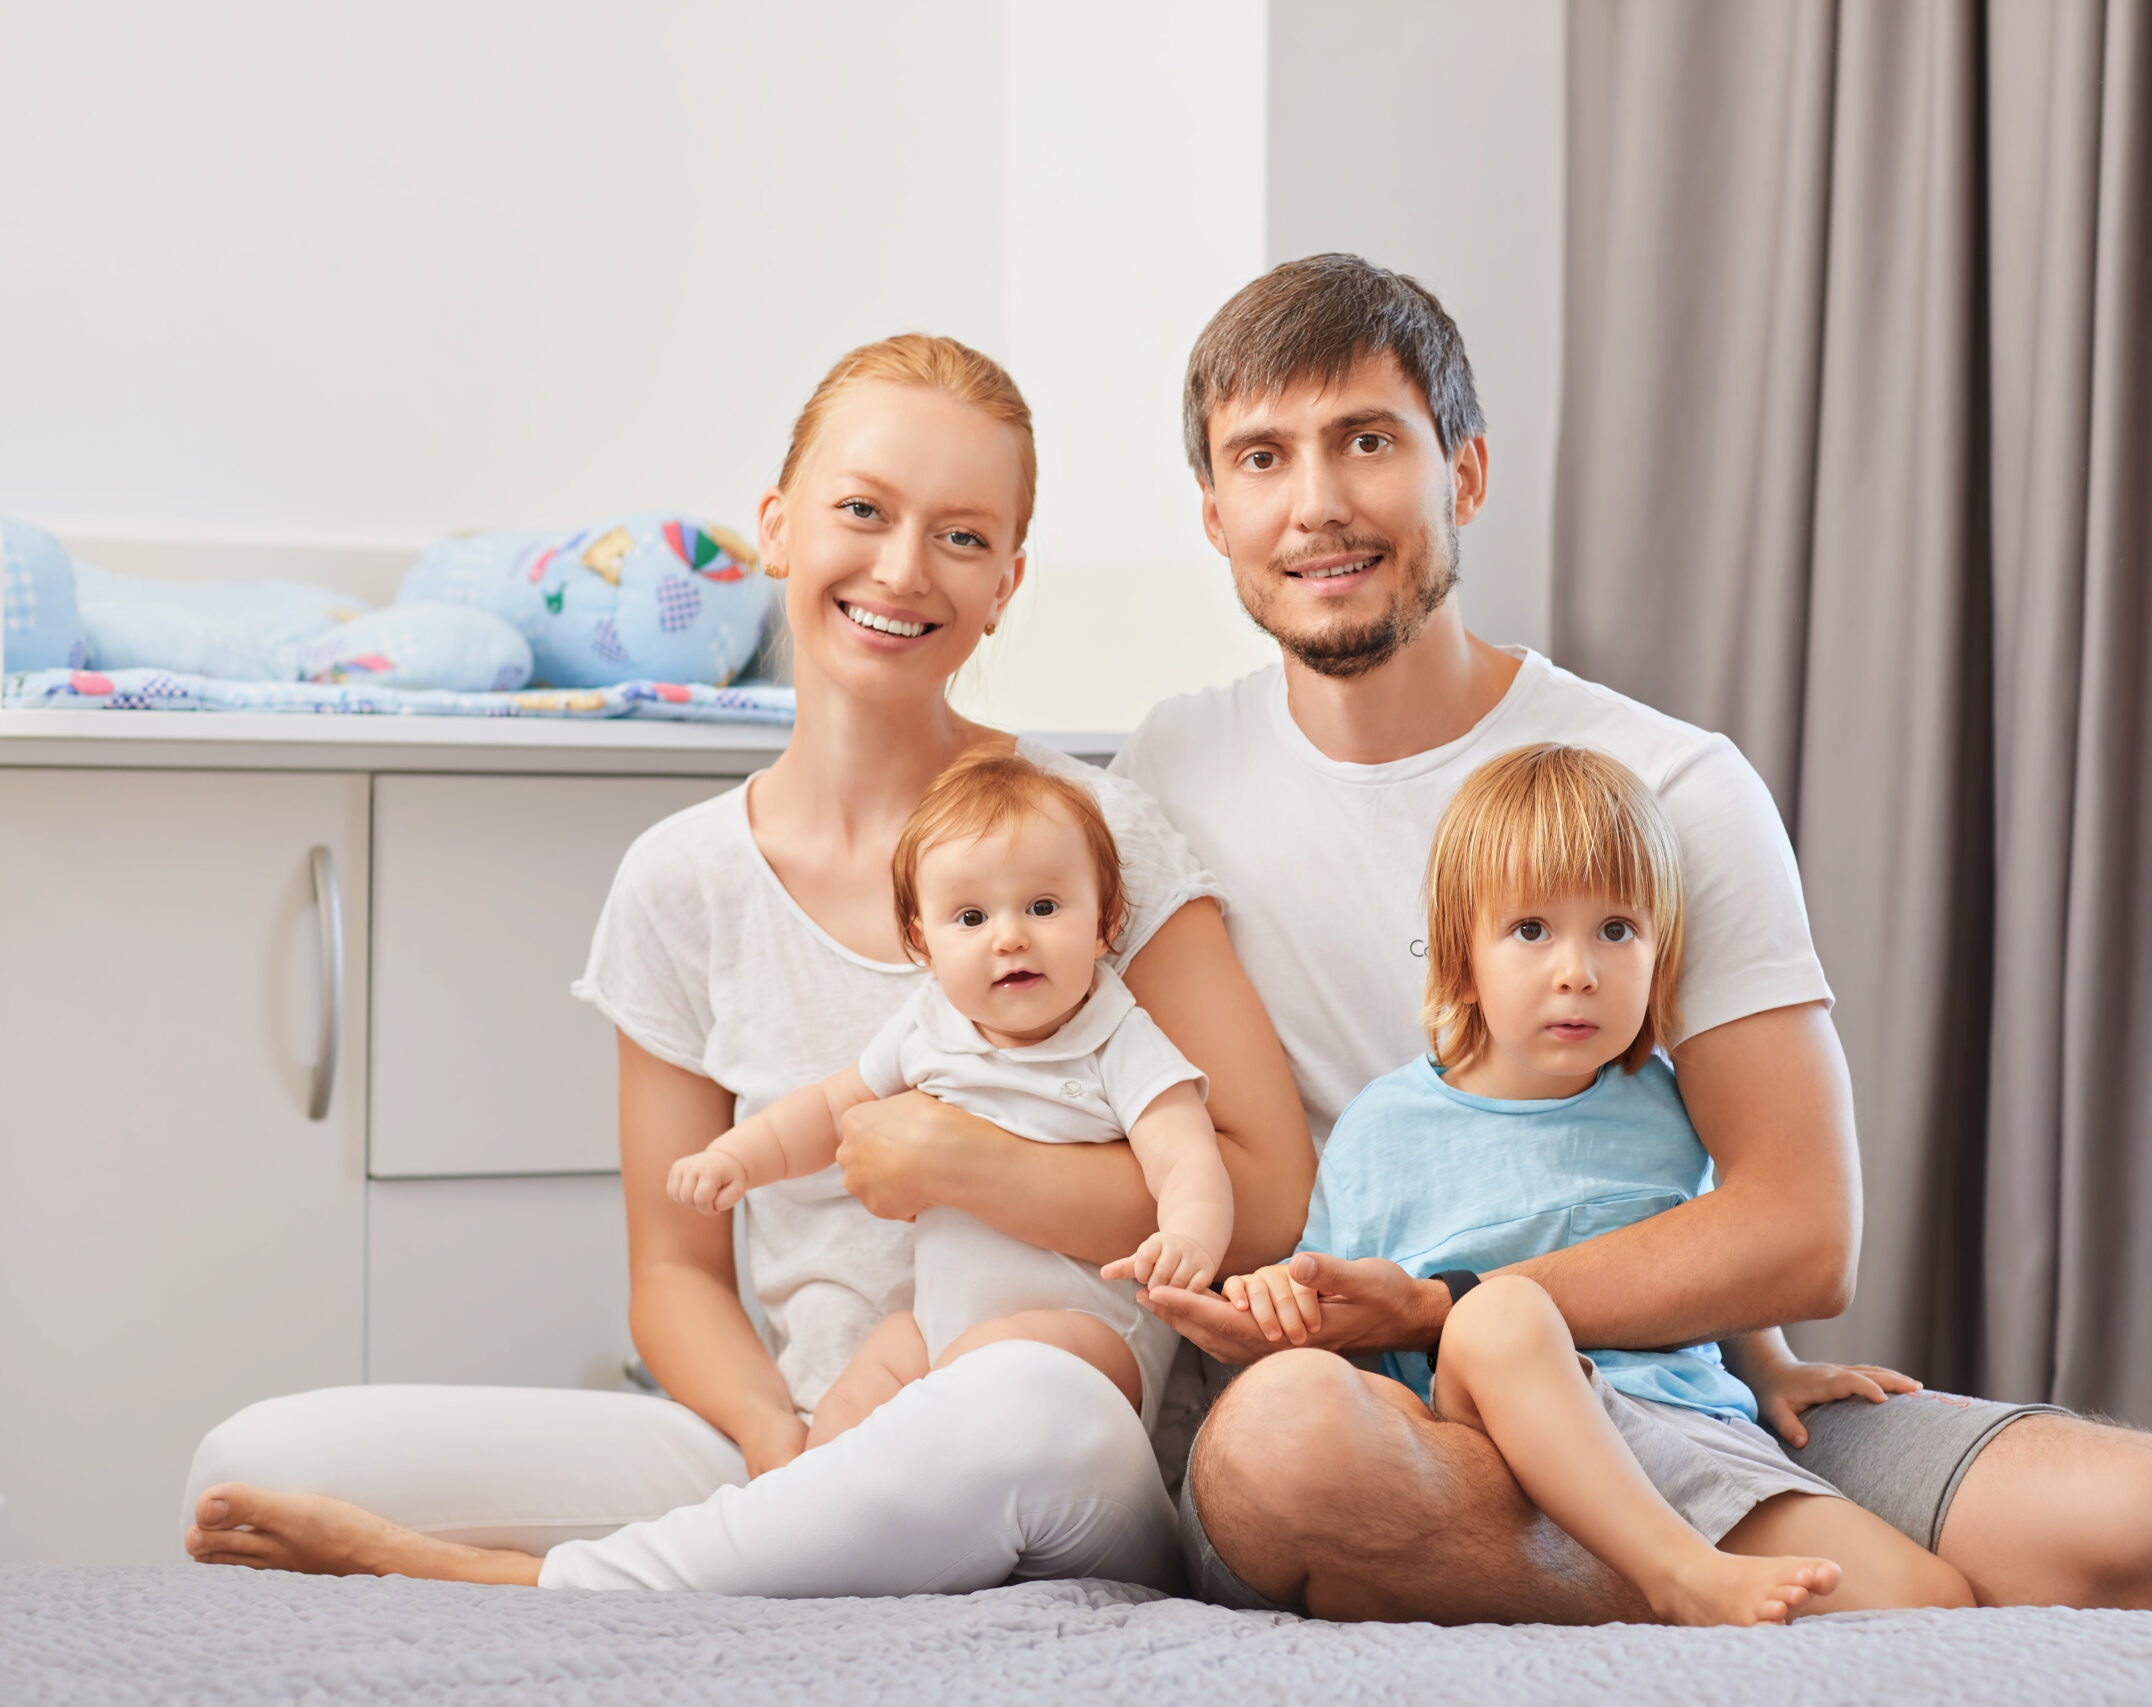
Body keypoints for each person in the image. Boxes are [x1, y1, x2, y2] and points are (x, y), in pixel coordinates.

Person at [1119, 253, 2152, 1622]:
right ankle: (1803, 1611)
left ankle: (1727, 1589)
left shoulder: (1665, 783)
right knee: (1277, 1443)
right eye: (1263, 457)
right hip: (1381, 1417)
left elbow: (1798, 1223)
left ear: (1464, 474)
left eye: (1369, 440)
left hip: (1674, 1383)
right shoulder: (1167, 773)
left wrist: (1457, 1302)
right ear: (1213, 511)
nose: (1316, 503)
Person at [180, 333, 1315, 1596]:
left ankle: (530, 1587)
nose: (901, 568)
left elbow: (1265, 1200)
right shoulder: (682, 881)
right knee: (255, 1458)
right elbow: (672, 1276)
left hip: (1053, 1446)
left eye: (960, 536)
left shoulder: (1091, 836)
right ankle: (764, 1550)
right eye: (861, 511)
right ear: (777, 527)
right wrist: (780, 1445)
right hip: (801, 1431)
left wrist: (970, 1165)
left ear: (1006, 581)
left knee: (1017, 1413)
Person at [1224, 742, 1969, 1625]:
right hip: (1494, 1449)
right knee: (1498, 1311)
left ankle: (1665, 1572)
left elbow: (1700, 1247)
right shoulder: (1382, 1128)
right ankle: (1675, 1575)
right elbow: (1329, 1304)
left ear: (1662, 953)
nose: (1577, 969)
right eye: (1531, 930)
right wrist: (1277, 1296)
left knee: (1936, 1600)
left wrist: (1770, 1367)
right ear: (1463, 959)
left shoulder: (1665, 1102)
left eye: (1616, 930)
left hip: (1684, 1432)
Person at [667, 750, 1232, 1449]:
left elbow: (1187, 1157)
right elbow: (825, 1109)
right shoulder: (926, 1027)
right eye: (970, 916)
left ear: (1104, 922)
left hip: (1088, 1345)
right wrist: (739, 1158)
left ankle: (905, 1475)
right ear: (922, 942)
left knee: (991, 1369)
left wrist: (1188, 1235)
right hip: (938, 1328)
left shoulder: (1117, 1038)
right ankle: (815, 1499)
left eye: (1044, 906)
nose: (1011, 935)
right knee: (858, 1392)